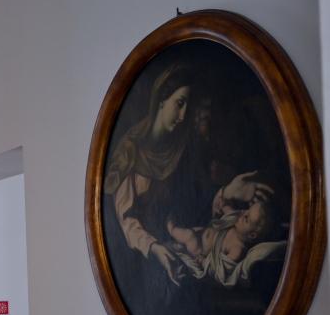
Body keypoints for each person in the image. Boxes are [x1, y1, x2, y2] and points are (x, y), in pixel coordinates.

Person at [104, 65, 274, 286]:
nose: (183, 115)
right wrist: (154, 247)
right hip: (146, 253)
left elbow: (194, 203)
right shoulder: (129, 152)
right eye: (179, 103)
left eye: (188, 107)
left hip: (180, 244)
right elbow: (124, 219)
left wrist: (226, 192)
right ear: (161, 100)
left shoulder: (182, 148)